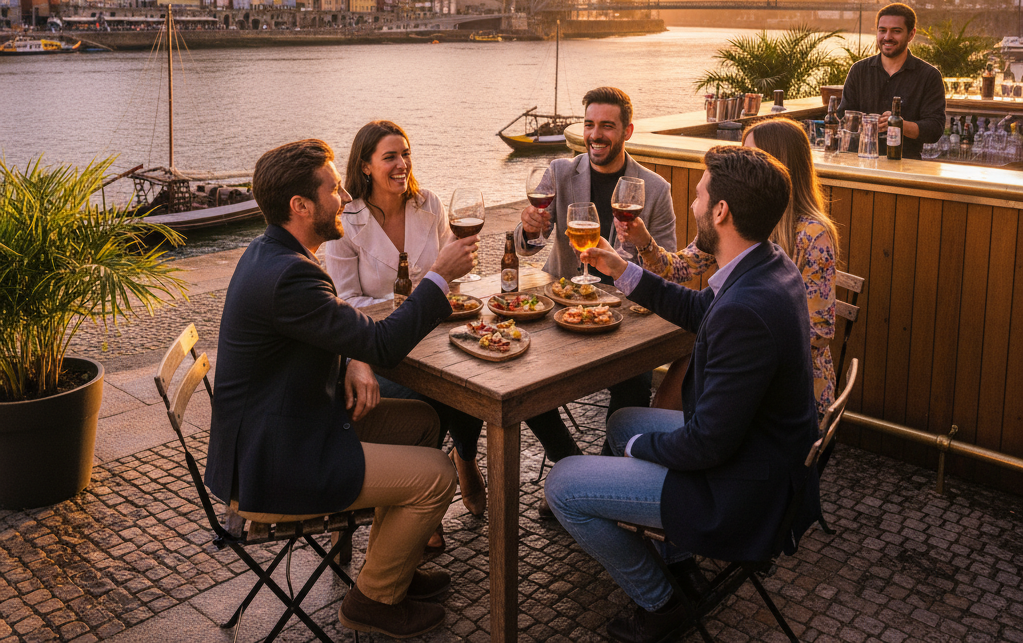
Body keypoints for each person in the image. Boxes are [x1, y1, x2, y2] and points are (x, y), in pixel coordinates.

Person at [544, 146, 821, 643]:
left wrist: (635, 453)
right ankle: (677, 559)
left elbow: (705, 446)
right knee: (625, 418)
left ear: (721, 212)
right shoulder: (767, 265)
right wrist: (620, 269)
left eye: (697, 197)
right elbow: (700, 310)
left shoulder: (749, 310)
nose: (693, 206)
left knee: (564, 484)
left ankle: (662, 602)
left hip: (739, 490)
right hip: (761, 453)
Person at [205, 139, 478, 639]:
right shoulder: (290, 275)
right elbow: (384, 343)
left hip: (293, 424)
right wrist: (437, 276)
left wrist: (349, 360)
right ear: (301, 206)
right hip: (276, 464)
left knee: (423, 423)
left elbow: (340, 338)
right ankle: (372, 601)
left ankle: (394, 567)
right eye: (333, 188)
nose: (345, 194)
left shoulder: (272, 252)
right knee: (438, 475)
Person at [616, 116, 839, 420]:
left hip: (791, 393)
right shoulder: (733, 220)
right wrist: (644, 242)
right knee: (682, 379)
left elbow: (820, 331)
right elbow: (680, 270)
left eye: (751, 156)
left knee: (690, 391)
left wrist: (734, 341)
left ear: (778, 164)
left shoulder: (812, 234)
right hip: (740, 356)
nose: (741, 165)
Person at [324, 120, 487, 523]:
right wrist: (415, 302)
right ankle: (415, 504)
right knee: (438, 394)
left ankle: (464, 458)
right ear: (365, 166)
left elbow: (453, 273)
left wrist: (453, 275)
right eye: (390, 157)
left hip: (434, 332)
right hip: (374, 346)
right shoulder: (345, 221)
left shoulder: (428, 203)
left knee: (473, 373)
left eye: (406, 154)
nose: (403, 164)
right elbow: (345, 301)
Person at [514, 87, 677, 486]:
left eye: (607, 125)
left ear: (627, 131)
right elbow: (525, 248)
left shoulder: (654, 189)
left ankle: (603, 475)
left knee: (635, 384)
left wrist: (642, 242)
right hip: (562, 306)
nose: (595, 135)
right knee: (524, 383)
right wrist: (531, 229)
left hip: (624, 315)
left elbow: (667, 269)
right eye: (589, 124)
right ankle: (570, 463)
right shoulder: (559, 172)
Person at [838, 2, 945, 160]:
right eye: (882, 30)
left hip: (906, 166)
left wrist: (898, 125)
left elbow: (934, 129)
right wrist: (864, 123)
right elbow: (842, 116)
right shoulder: (859, 70)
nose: (887, 37)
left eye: (896, 31)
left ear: (911, 34)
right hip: (859, 163)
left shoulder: (929, 76)